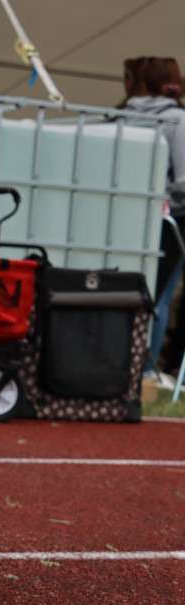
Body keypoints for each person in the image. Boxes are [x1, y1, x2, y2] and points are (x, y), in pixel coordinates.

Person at [119, 56, 185, 374]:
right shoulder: (178, 119)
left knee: (125, 288)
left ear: (140, 83)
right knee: (159, 295)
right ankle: (145, 372)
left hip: (124, 212)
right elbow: (184, 179)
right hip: (170, 217)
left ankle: (121, 363)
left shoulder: (122, 115)